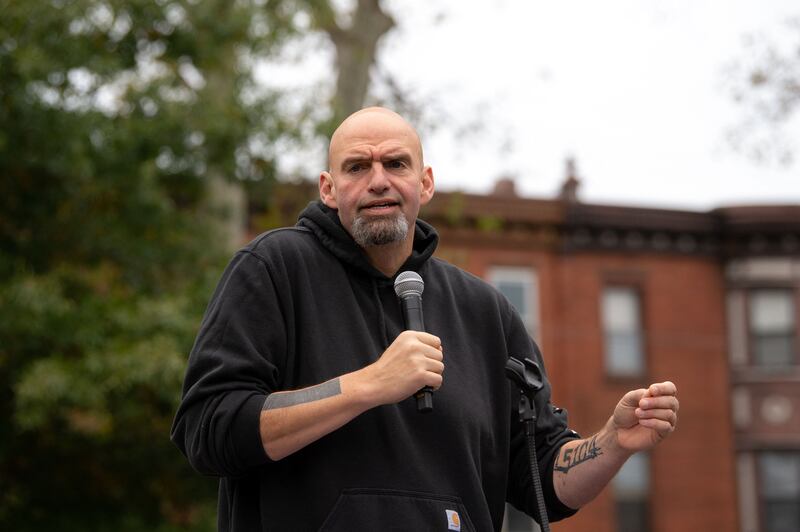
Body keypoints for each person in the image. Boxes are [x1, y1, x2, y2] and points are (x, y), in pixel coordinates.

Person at [171, 107, 679, 531]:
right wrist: (368, 385)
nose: (378, 181)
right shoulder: (274, 269)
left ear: (425, 182)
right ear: (328, 188)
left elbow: (544, 479)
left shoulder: (485, 311)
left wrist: (613, 443)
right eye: (356, 168)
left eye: (396, 163)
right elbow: (209, 428)